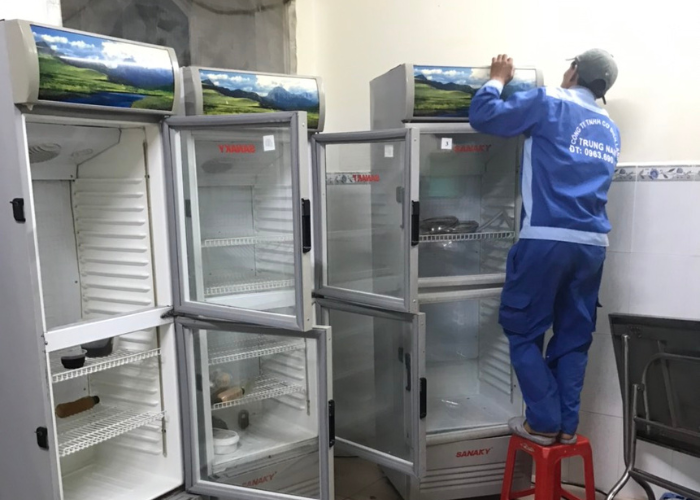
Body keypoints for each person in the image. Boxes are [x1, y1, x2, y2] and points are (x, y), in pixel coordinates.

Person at [469, 50, 620, 445]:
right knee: (573, 337)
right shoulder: (609, 127)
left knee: (522, 330)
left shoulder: (549, 100)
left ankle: (544, 421)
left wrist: (497, 79)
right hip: (592, 247)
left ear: (573, 71)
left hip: (546, 240)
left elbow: (484, 116)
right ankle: (567, 426)